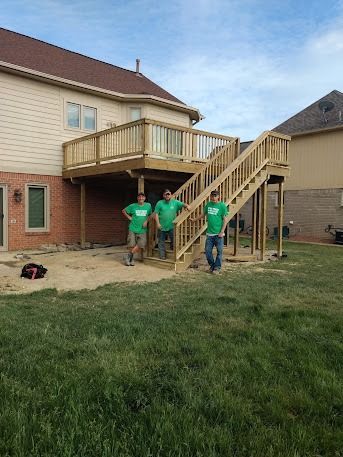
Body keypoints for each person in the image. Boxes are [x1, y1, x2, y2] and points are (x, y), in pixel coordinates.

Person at [191, 190, 229, 274]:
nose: (213, 197)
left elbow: (225, 220)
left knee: (219, 252)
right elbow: (203, 214)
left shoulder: (222, 206)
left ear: (218, 196)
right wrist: (194, 220)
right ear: (210, 196)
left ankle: (217, 268)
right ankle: (212, 266)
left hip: (219, 234)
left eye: (215, 196)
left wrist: (222, 232)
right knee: (208, 252)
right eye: (212, 196)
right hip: (209, 234)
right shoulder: (208, 205)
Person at [154, 189, 190, 260]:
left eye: (168, 194)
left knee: (174, 240)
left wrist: (187, 206)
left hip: (172, 226)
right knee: (161, 242)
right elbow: (156, 214)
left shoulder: (175, 202)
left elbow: (183, 204)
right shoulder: (159, 203)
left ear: (171, 195)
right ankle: (162, 255)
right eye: (166, 194)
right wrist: (158, 223)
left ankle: (174, 253)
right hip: (161, 226)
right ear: (163, 195)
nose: (167, 196)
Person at [122, 192, 152, 266]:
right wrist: (129, 217)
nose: (141, 198)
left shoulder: (148, 205)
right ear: (137, 198)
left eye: (142, 197)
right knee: (131, 244)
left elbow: (150, 215)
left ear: (144, 198)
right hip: (132, 228)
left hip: (142, 229)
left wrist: (146, 221)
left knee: (141, 244)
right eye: (139, 197)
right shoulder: (133, 206)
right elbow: (123, 211)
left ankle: (128, 256)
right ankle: (131, 260)